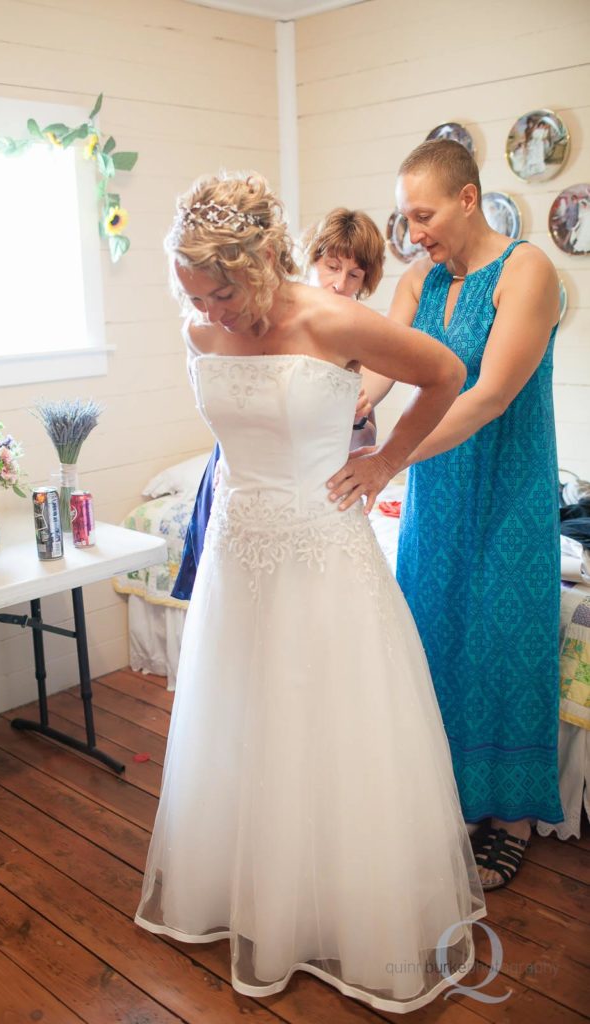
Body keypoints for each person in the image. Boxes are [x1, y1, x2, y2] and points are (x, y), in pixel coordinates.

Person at [135, 171, 485, 1011]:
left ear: (257, 265)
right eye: (193, 294)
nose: (206, 311)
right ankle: (244, 891)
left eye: (218, 292)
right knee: (246, 717)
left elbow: (444, 372)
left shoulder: (329, 318)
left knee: (329, 721)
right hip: (237, 547)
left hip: (321, 546)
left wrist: (386, 460)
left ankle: (342, 906)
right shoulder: (200, 328)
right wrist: (205, 320)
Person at [327, 140, 564, 889]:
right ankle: (454, 797)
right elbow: (380, 369)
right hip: (434, 489)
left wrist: (389, 459)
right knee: (432, 633)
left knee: (502, 635)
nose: (413, 230)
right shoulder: (419, 279)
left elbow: (489, 394)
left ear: (467, 200)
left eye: (422, 214)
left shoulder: (526, 271)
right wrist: (342, 409)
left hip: (505, 487)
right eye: (405, 216)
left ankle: (514, 818)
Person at [171, 206, 384, 601]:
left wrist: (361, 418)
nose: (339, 283)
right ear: (311, 258)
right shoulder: (257, 317)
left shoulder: (352, 327)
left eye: (354, 275)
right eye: (332, 266)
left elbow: (360, 438)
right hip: (242, 476)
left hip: (311, 496)